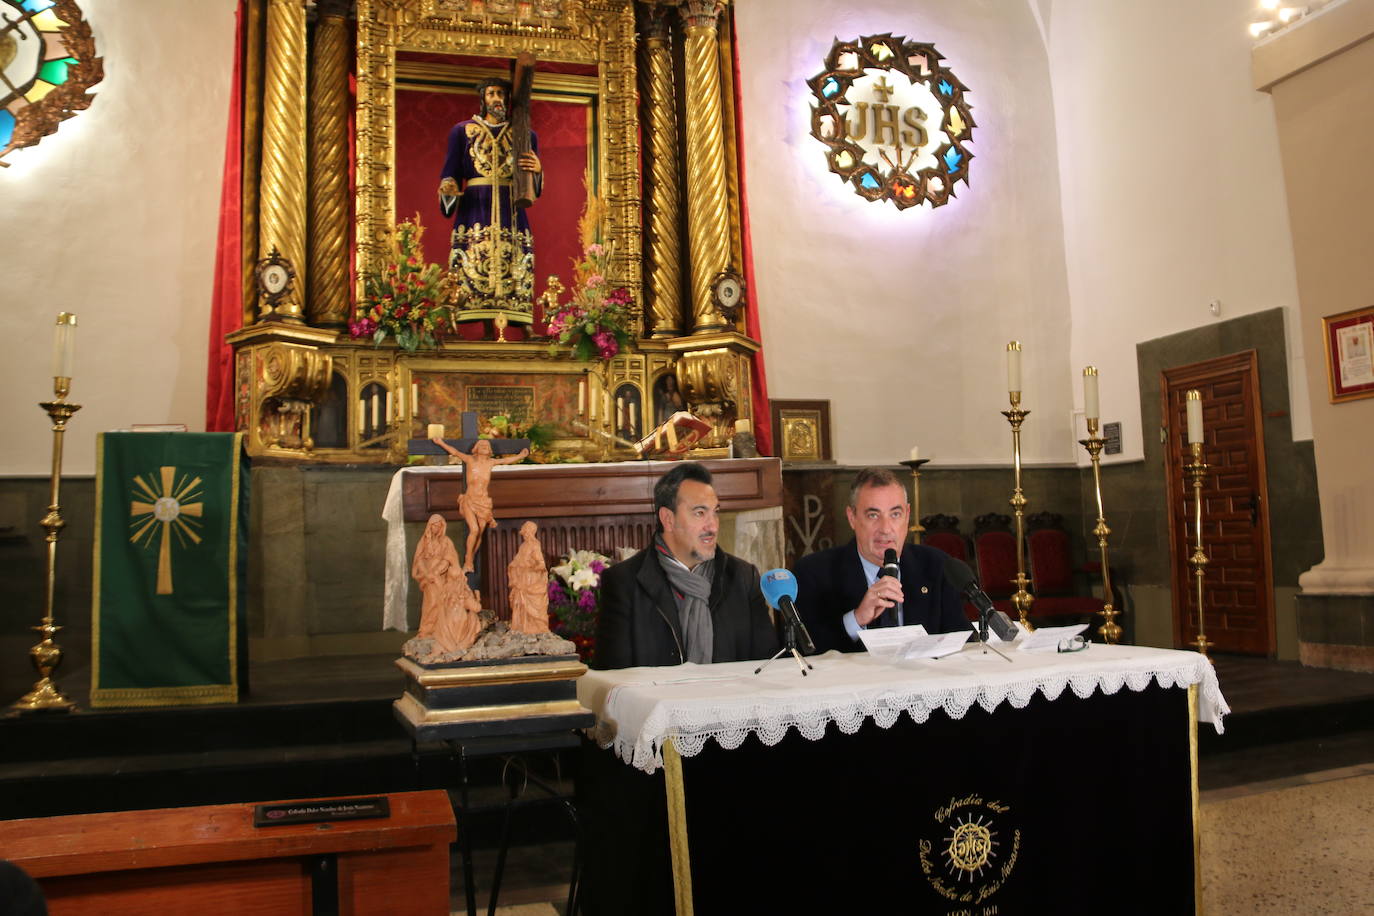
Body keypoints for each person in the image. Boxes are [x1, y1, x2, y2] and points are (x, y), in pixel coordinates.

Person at [594, 462, 778, 668]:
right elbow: (613, 679)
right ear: (668, 519)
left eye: (715, 512)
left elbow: (767, 665)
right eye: (700, 513)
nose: (713, 526)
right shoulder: (625, 582)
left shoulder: (743, 578)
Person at [794, 467, 970, 653]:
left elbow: (961, 643)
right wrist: (856, 619)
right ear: (852, 518)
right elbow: (805, 651)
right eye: (873, 515)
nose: (886, 529)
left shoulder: (936, 565)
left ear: (907, 515)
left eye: (895, 514)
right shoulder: (814, 572)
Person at [438, 76, 542, 320]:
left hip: (511, 209)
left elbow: (531, 184)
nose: (497, 99)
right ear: (483, 99)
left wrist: (538, 170)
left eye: (501, 94)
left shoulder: (524, 134)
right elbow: (451, 171)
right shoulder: (462, 131)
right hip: (475, 207)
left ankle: (519, 317)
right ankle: (471, 313)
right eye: (491, 94)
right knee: (474, 257)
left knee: (514, 260)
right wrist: (448, 186)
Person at [431, 436, 529, 571]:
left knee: (480, 532)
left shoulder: (491, 462)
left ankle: (470, 560)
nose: (484, 446)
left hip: (483, 502)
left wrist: (520, 456)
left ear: (489, 450)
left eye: (486, 445)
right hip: (470, 499)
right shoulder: (470, 460)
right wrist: (441, 442)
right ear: (476, 448)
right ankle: (468, 560)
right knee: (474, 529)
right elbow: (454, 452)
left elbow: (506, 460)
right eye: (481, 444)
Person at [410, 514, 482, 653]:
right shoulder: (424, 542)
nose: (436, 528)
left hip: (441, 578)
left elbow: (450, 559)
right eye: (434, 525)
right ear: (430, 526)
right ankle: (427, 629)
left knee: (441, 602)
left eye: (439, 525)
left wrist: (437, 571)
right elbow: (418, 560)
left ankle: (440, 629)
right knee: (430, 603)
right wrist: (427, 573)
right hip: (429, 579)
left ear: (442, 526)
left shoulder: (446, 541)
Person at [507, 520, 551, 635]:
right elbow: (516, 561)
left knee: (533, 605)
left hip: (531, 580)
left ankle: (536, 628)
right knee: (520, 604)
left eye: (526, 531)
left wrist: (528, 565)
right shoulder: (523, 546)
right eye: (524, 532)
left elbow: (541, 564)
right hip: (523, 579)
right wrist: (514, 565)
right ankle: (522, 628)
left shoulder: (535, 545)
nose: (524, 534)